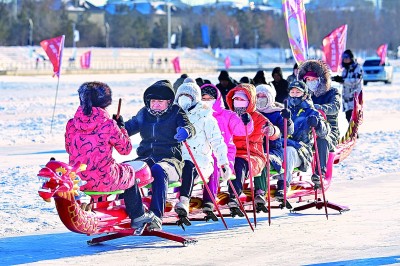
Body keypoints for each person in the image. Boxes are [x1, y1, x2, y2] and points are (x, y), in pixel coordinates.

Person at [65, 81, 156, 230]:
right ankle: (138, 216)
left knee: (119, 171)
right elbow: (125, 149)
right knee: (130, 173)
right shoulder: (108, 124)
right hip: (104, 178)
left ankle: (102, 208)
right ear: (104, 102)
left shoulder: (71, 123)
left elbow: (69, 149)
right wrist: (121, 128)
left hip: (79, 179)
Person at [124, 80, 195, 228]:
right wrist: (116, 126)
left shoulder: (176, 112)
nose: (155, 104)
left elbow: (189, 126)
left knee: (158, 170)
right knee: (126, 170)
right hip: (146, 157)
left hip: (170, 160)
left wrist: (186, 131)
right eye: (153, 101)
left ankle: (156, 215)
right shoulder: (144, 113)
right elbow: (128, 128)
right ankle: (126, 210)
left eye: (160, 101)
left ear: (168, 102)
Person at [173, 78, 230, 216]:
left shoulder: (206, 117)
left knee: (188, 165)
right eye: (181, 96)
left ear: (194, 98)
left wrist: (223, 163)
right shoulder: (173, 115)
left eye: (187, 96)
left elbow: (217, 141)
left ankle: (184, 201)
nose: (183, 99)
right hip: (176, 159)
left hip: (200, 161)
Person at [200, 83, 254, 212]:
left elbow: (241, 131)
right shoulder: (197, 115)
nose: (207, 102)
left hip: (223, 155)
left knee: (213, 167)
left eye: (210, 99)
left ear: (217, 99)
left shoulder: (227, 115)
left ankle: (209, 200)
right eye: (204, 99)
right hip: (201, 154)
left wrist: (246, 122)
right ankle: (182, 197)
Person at [225, 83, 280, 211]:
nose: (238, 102)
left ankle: (235, 195)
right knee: (229, 162)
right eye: (236, 99)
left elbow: (274, 133)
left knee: (239, 163)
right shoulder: (229, 116)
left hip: (253, 154)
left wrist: (271, 130)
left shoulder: (258, 117)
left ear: (249, 101)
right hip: (232, 152)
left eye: (241, 100)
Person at [279, 80, 330, 197]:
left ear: (305, 95)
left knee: (289, 151)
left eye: (298, 92)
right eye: (292, 92)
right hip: (280, 147)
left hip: (300, 151)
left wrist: (317, 124)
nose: (294, 95)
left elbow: (324, 133)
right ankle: (258, 188)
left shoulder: (311, 112)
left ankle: (284, 184)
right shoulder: (284, 110)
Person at [298, 60, 340, 185]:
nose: (310, 82)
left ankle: (320, 172)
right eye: (307, 80)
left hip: (328, 129)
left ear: (320, 79)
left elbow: (335, 107)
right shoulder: (304, 94)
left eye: (312, 79)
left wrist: (318, 108)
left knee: (323, 139)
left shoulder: (332, 92)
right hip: (307, 130)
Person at [254, 83, 294, 204]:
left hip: (272, 149)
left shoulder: (277, 113)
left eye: (263, 96)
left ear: (270, 97)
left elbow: (288, 131)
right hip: (254, 148)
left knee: (262, 159)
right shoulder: (251, 113)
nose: (260, 99)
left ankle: (261, 191)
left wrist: (288, 120)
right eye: (258, 96)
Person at [332, 49, 363, 122]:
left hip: (354, 97)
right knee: (348, 117)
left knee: (354, 118)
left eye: (347, 58)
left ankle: (355, 133)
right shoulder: (345, 69)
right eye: (343, 58)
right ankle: (353, 133)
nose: (345, 60)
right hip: (346, 98)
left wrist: (343, 80)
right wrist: (337, 79)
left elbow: (356, 80)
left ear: (351, 58)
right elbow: (344, 80)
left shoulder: (357, 68)